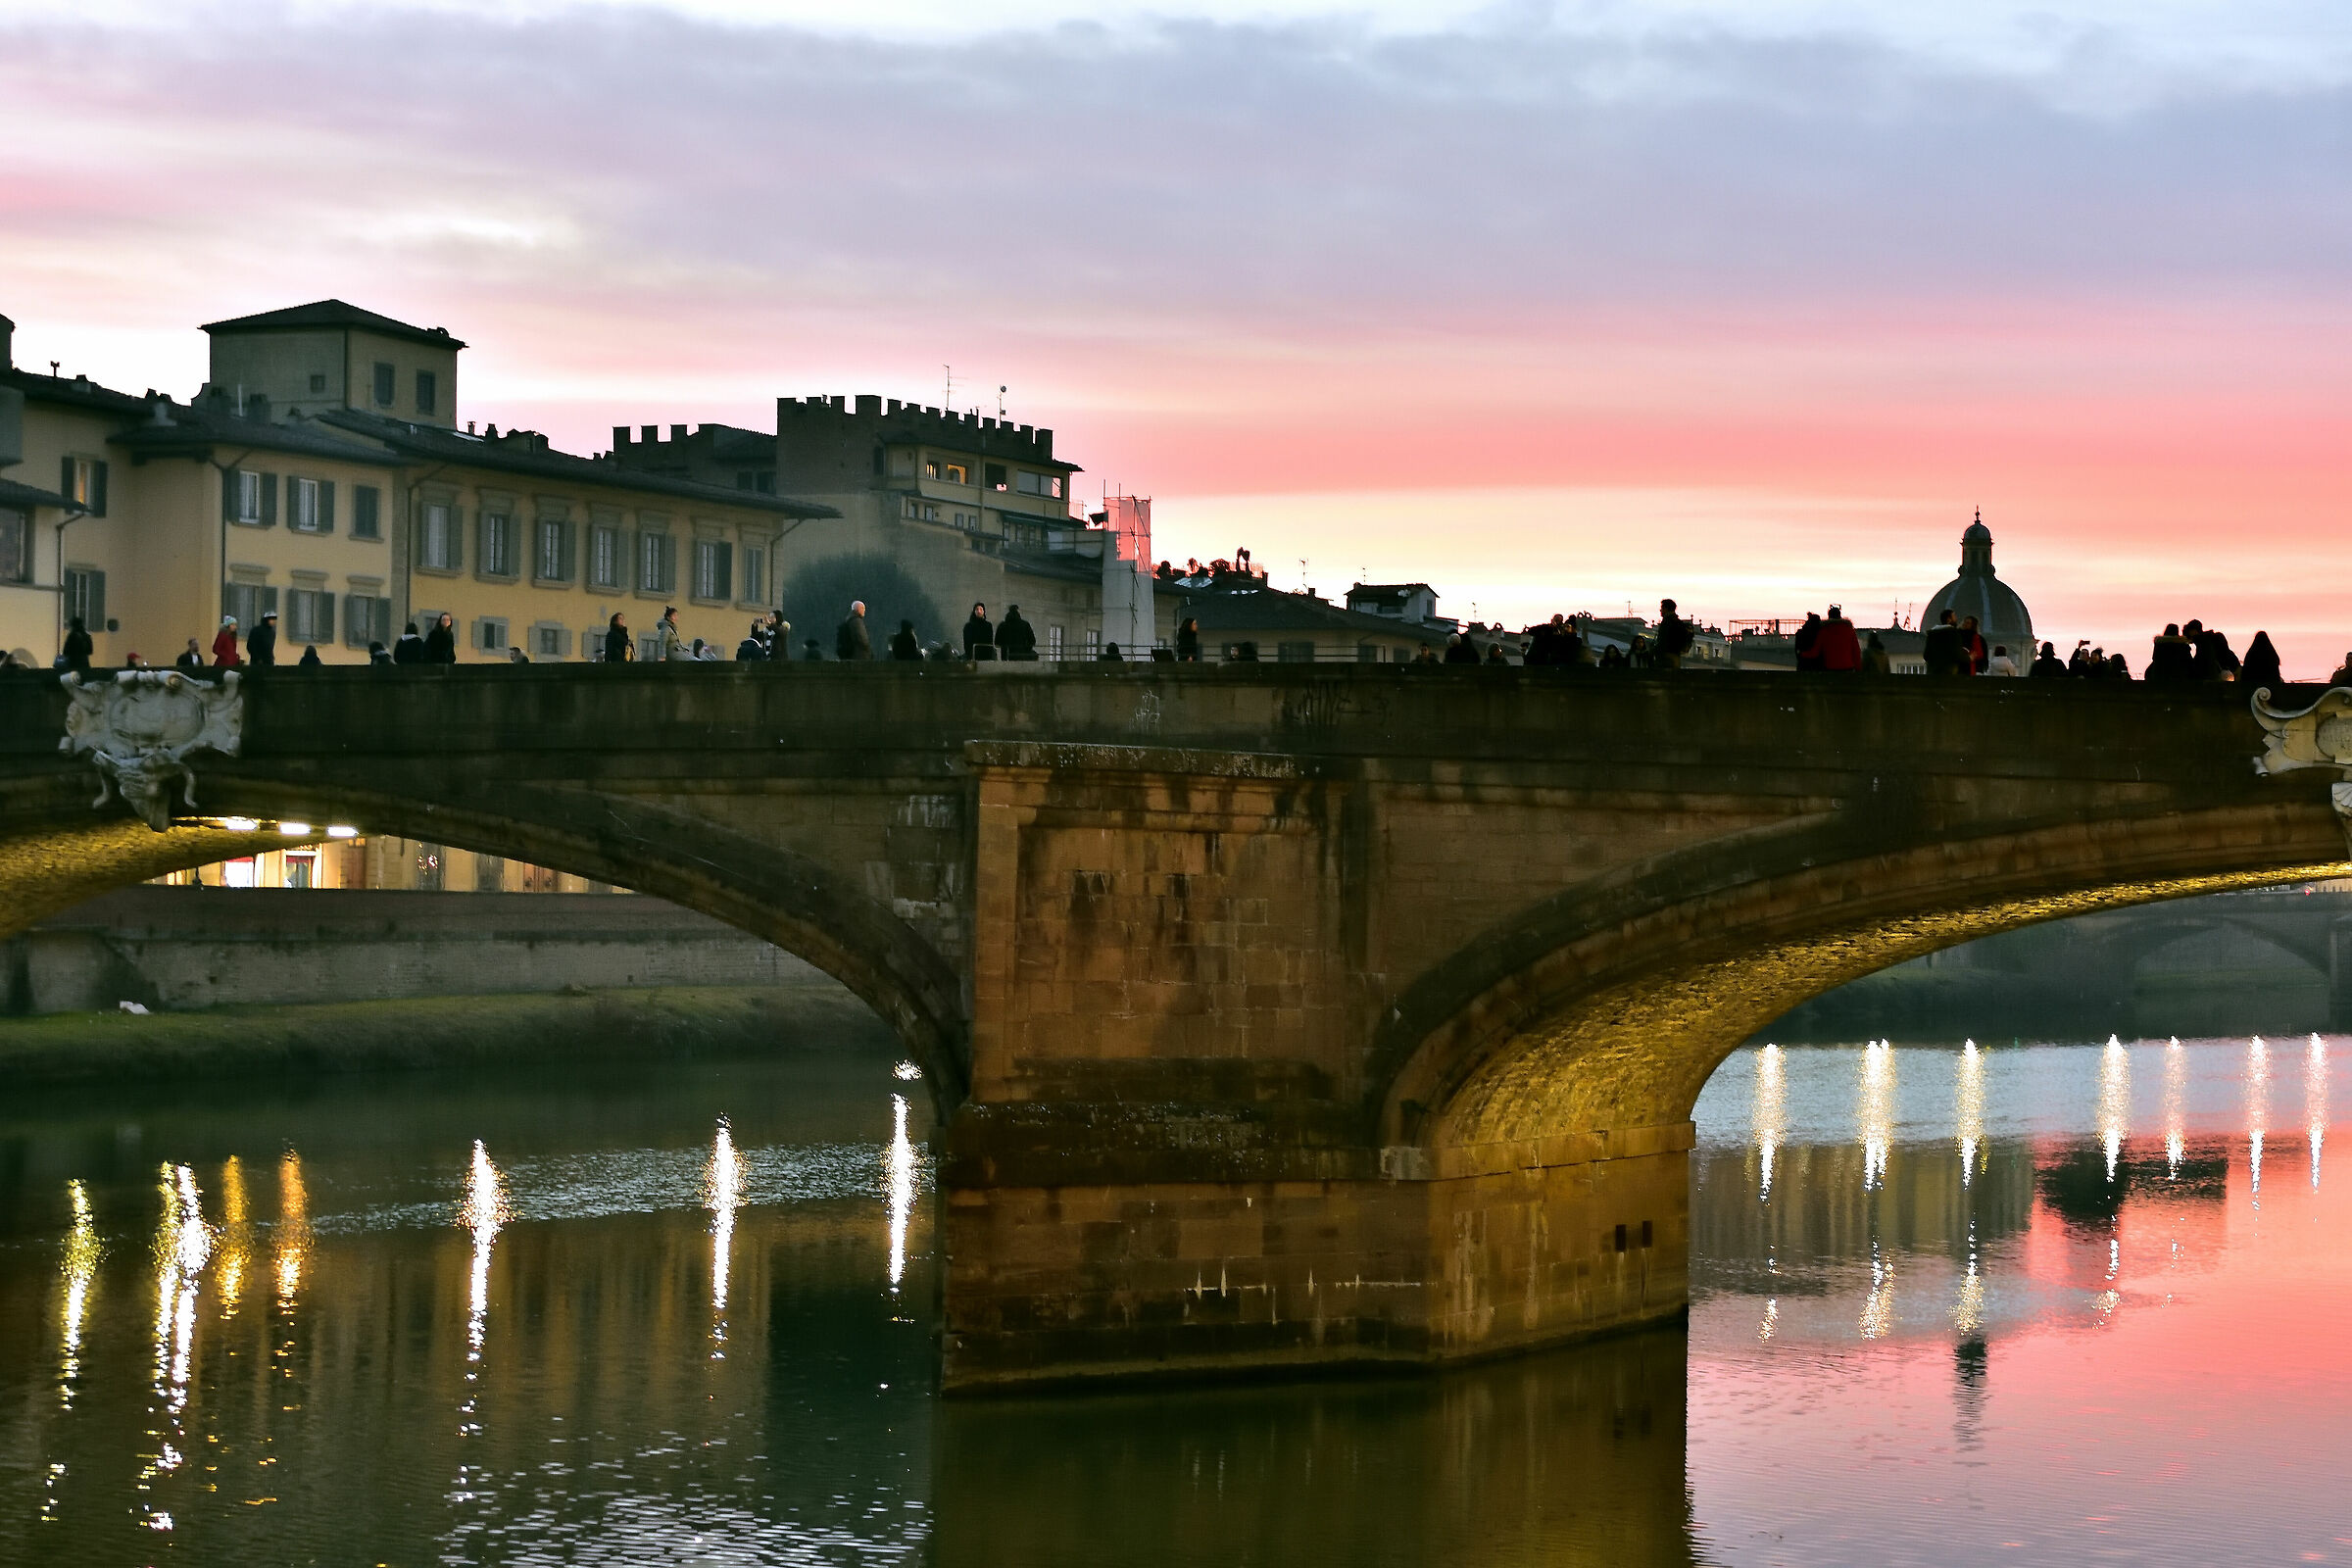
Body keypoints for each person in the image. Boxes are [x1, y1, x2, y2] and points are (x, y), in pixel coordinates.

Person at [1654, 599, 1695, 669]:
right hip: (1675, 656)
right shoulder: (1677, 622)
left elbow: (1664, 639)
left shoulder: (1668, 622)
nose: (1660, 610)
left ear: (1666, 609)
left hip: (1667, 656)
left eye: (1662, 608)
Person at [1818, 606, 1861, 672]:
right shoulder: (1849, 630)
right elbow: (1856, 651)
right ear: (1840, 616)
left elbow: (1817, 649)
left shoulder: (1823, 631)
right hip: (1847, 666)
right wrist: (1858, 668)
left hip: (1829, 667)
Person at [1922, 610, 1963, 675]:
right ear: (1949, 619)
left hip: (1932, 671)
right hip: (1948, 671)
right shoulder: (1954, 634)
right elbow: (1956, 654)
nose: (1956, 619)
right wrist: (1969, 658)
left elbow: (1926, 655)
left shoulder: (1932, 634)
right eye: (1954, 616)